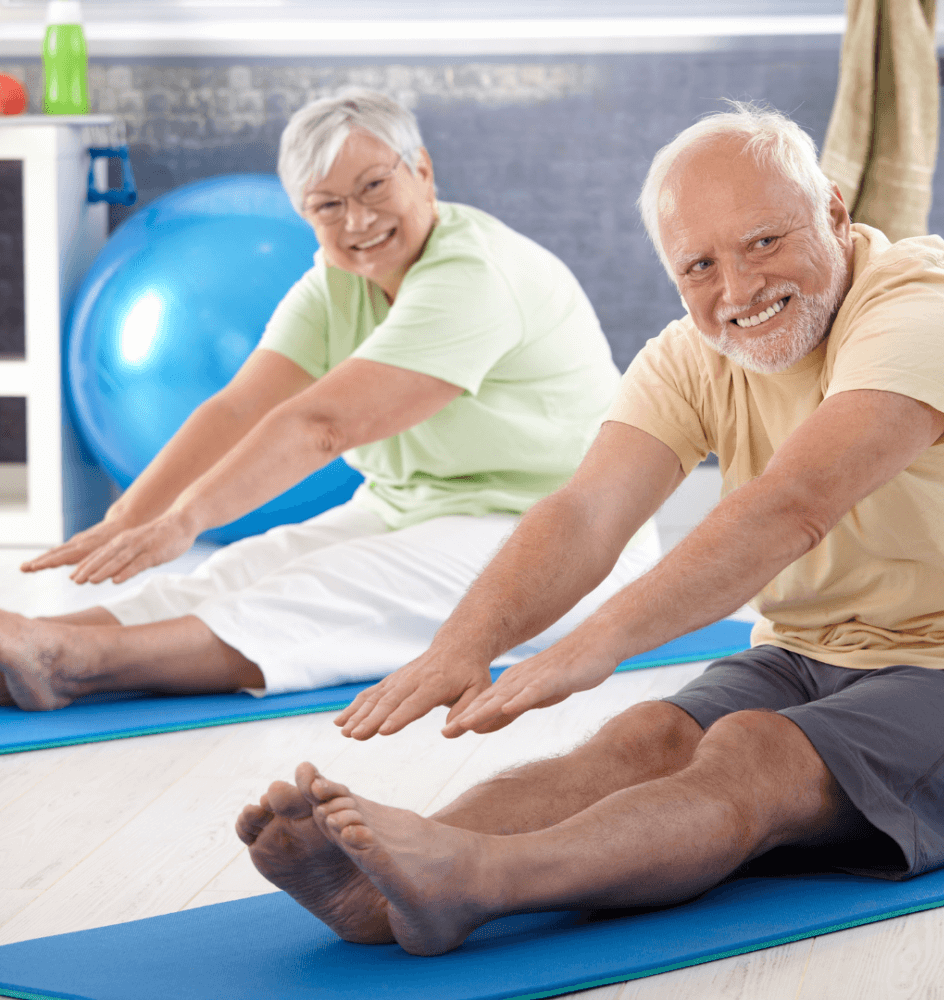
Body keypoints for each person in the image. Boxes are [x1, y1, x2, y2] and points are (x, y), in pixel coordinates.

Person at [235, 102, 944, 957]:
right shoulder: (693, 352)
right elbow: (587, 509)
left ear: (832, 211)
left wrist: (598, 641)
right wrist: (467, 642)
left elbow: (794, 504)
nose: (738, 291)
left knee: (753, 748)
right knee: (644, 737)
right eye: (699, 265)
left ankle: (475, 885)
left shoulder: (928, 310)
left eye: (764, 243)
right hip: (811, 651)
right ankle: (383, 878)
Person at [2, 87, 658, 711]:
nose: (359, 220)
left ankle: (70, 662)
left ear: (421, 170)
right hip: (415, 509)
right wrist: (130, 515)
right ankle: (33, 638)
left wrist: (185, 519)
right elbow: (238, 408)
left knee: (333, 587)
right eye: (328, 206)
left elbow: (322, 427)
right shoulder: (336, 284)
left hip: (570, 539)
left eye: (374, 186)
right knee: (242, 568)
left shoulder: (475, 275)